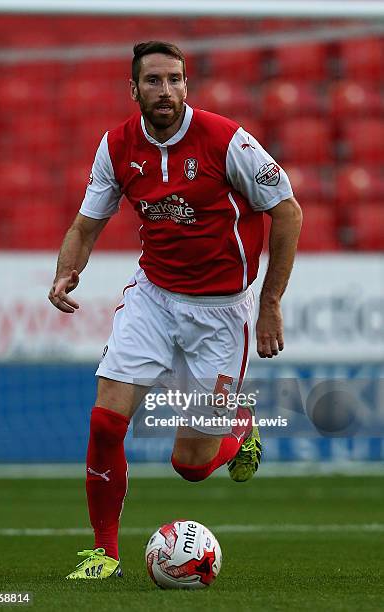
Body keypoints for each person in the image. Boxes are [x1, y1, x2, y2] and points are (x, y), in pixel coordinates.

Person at [49, 41, 302, 580]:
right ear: (134, 89)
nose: (166, 91)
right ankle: (105, 553)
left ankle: (239, 430)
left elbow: (287, 212)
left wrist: (271, 304)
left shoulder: (226, 140)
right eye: (154, 81)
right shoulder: (117, 145)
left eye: (175, 80)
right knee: (104, 422)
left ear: (187, 85)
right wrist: (68, 269)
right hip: (154, 297)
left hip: (221, 313)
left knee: (189, 468)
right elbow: (86, 223)